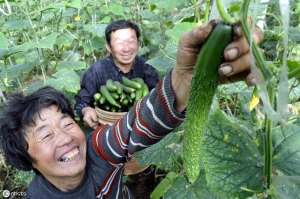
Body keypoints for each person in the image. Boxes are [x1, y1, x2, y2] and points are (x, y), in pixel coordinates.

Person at [0, 20, 262, 198]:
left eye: (67, 123)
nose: (66, 137)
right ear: (24, 158)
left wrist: (184, 80)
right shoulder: (33, 195)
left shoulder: (100, 151)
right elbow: (85, 99)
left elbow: (134, 125)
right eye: (46, 135)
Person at [75, 20, 159, 129]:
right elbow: (81, 102)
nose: (126, 48)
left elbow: (157, 97)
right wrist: (86, 110)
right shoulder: (97, 70)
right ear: (109, 47)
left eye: (131, 41)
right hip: (106, 130)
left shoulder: (147, 67)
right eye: (119, 42)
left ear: (138, 44)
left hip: (141, 128)